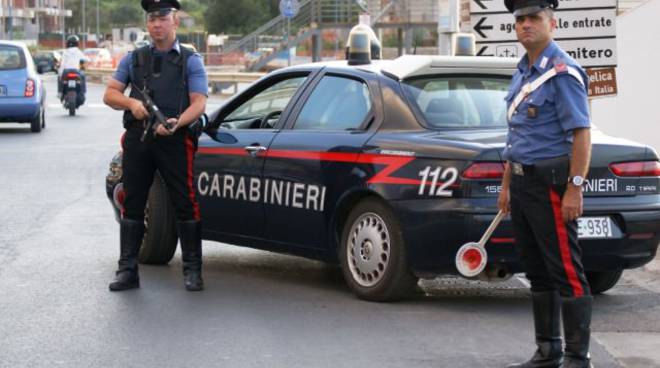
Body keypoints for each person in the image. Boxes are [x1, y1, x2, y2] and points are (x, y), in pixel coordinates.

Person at [497, 1, 593, 367]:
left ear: (551, 23)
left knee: (566, 270)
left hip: (551, 185)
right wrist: (507, 185)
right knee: (536, 270)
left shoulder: (563, 73)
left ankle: (577, 357)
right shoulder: (523, 72)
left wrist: (575, 187)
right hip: (522, 184)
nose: (525, 25)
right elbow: (517, 135)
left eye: (533, 18)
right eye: (520, 20)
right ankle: (548, 351)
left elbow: (581, 134)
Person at [103, 0, 208, 292]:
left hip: (174, 139)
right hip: (139, 138)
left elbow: (199, 102)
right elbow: (110, 94)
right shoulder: (133, 59)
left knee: (184, 201)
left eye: (162, 18)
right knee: (133, 201)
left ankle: (192, 270)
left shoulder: (190, 60)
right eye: (151, 19)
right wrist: (132, 103)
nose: (156, 24)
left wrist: (177, 122)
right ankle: (128, 271)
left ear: (175, 20)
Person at [58, 35, 89, 100]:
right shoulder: (78, 51)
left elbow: (62, 64)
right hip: (76, 71)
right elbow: (86, 59)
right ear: (77, 43)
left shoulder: (65, 52)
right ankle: (83, 93)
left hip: (66, 71)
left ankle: (60, 93)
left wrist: (60, 73)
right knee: (82, 78)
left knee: (60, 79)